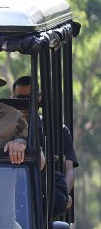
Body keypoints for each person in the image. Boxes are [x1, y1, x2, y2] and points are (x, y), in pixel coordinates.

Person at [13, 75, 78, 211]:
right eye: (21, 98)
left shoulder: (59, 131)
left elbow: (69, 169)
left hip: (45, 204)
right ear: (13, 98)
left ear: (39, 97)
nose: (26, 102)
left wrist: (61, 197)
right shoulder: (6, 129)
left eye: (30, 98)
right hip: (12, 199)